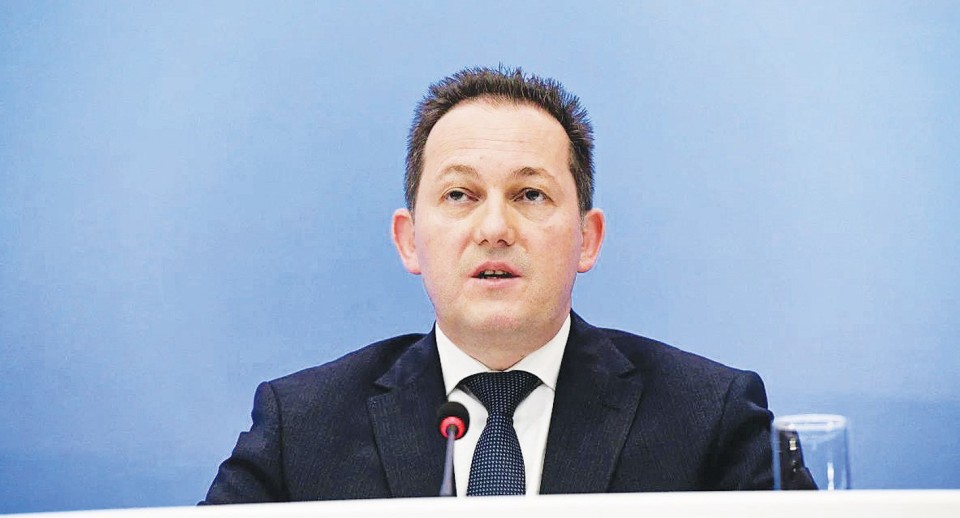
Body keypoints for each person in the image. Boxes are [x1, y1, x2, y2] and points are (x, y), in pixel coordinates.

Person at [202, 66, 772, 503]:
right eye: (460, 195)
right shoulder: (301, 427)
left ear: (587, 239)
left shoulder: (708, 419)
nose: (495, 228)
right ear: (408, 240)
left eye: (530, 195)